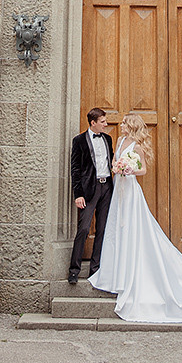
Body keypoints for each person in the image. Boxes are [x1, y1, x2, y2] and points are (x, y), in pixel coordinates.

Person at [89, 113, 182, 323]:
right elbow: (114, 161)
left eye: (123, 123)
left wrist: (130, 169)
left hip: (131, 190)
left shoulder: (137, 147)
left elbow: (143, 170)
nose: (120, 125)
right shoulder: (121, 141)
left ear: (131, 126)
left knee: (133, 227)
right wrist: (116, 167)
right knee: (117, 227)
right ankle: (115, 274)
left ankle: (133, 274)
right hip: (119, 190)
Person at [68, 106, 114, 284]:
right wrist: (77, 194)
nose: (106, 124)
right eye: (102, 122)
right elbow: (76, 169)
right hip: (89, 190)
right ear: (93, 123)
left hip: (106, 188)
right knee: (84, 229)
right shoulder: (79, 141)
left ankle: (95, 269)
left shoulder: (108, 139)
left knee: (102, 229)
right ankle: (74, 270)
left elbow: (110, 161)